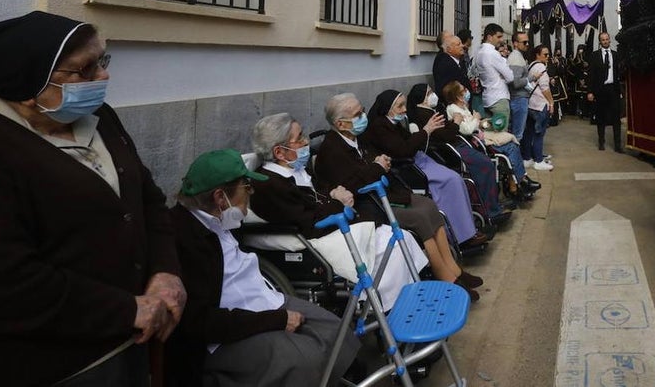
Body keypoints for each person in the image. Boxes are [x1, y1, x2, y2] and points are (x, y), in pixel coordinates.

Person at [0, 11, 186, 386]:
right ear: (25, 82)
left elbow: (148, 200)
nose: (102, 77)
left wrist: (166, 273)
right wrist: (127, 311)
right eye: (84, 69)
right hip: (56, 365)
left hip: (134, 342)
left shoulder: (99, 116)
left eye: (102, 61)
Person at [167, 149, 360, 385]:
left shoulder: (219, 218)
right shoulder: (183, 239)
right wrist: (276, 319)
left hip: (260, 298)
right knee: (301, 358)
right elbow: (201, 322)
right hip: (222, 334)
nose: (250, 194)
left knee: (335, 331)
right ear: (220, 197)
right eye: (246, 188)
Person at [248, 113, 428, 309]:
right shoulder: (269, 184)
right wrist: (340, 204)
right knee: (389, 248)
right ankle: (388, 309)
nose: (306, 141)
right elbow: (305, 220)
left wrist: (334, 193)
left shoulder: (296, 170)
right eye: (299, 138)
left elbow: (317, 195)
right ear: (279, 152)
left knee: (399, 237)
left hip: (331, 222)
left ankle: (410, 301)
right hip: (315, 236)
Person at [314, 93, 482, 299]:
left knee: (429, 206)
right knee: (419, 217)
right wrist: (377, 167)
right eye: (358, 114)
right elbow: (351, 184)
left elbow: (370, 164)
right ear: (340, 123)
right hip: (366, 205)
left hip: (383, 193)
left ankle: (454, 270)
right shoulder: (332, 150)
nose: (364, 116)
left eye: (363, 110)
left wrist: (379, 162)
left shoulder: (356, 139)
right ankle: (445, 277)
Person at [363, 89, 488, 248]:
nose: (404, 109)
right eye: (400, 106)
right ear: (387, 108)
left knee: (456, 179)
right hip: (408, 167)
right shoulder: (379, 127)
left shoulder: (392, 123)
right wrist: (426, 130)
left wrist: (424, 133)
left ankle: (467, 229)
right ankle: (461, 235)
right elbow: (402, 150)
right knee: (451, 181)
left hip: (418, 160)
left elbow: (410, 142)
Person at [405, 83, 509, 223]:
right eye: (429, 93)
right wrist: (456, 123)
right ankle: (491, 211)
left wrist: (454, 123)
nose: (433, 95)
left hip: (456, 143)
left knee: (488, 162)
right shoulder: (423, 114)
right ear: (422, 98)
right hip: (449, 149)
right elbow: (444, 136)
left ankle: (493, 206)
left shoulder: (430, 111)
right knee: (486, 165)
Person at [443, 80, 541, 199]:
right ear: (458, 96)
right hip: (475, 143)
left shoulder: (462, 107)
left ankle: (517, 181)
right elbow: (467, 129)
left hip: (479, 135)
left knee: (511, 143)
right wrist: (476, 118)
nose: (467, 91)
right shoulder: (453, 110)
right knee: (511, 147)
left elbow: (473, 125)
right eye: (463, 90)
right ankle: (519, 181)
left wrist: (482, 122)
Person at [586, 31, 624, 152]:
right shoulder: (594, 55)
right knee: (601, 117)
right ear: (600, 41)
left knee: (616, 118)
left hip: (613, 89)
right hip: (600, 90)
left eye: (607, 39)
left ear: (609, 40)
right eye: (603, 40)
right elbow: (591, 75)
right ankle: (601, 141)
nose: (605, 41)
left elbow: (620, 73)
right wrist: (590, 92)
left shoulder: (616, 55)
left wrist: (621, 89)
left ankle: (618, 145)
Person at [476, 23, 514, 127]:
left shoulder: (479, 52)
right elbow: (510, 77)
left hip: (487, 97)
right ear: (489, 37)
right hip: (499, 98)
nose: (501, 40)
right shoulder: (492, 53)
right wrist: (502, 76)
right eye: (498, 37)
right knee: (500, 134)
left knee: (490, 134)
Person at [526, 44, 555, 170]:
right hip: (540, 104)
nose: (548, 57)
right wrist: (551, 102)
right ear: (537, 55)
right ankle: (538, 161)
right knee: (539, 133)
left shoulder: (531, 65)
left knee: (529, 132)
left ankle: (528, 157)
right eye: (545, 54)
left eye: (548, 54)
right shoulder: (541, 67)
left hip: (530, 104)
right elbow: (544, 88)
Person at [508, 29, 534, 149]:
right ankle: (515, 163)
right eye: (524, 42)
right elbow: (516, 82)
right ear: (515, 43)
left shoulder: (518, 56)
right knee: (517, 134)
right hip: (518, 98)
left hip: (519, 98)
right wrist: (531, 77)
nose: (527, 45)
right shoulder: (515, 58)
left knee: (518, 132)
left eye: (527, 42)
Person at [433, 31, 471, 105]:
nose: (462, 46)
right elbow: (447, 91)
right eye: (458, 44)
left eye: (461, 43)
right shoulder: (445, 64)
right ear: (449, 49)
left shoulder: (458, 60)